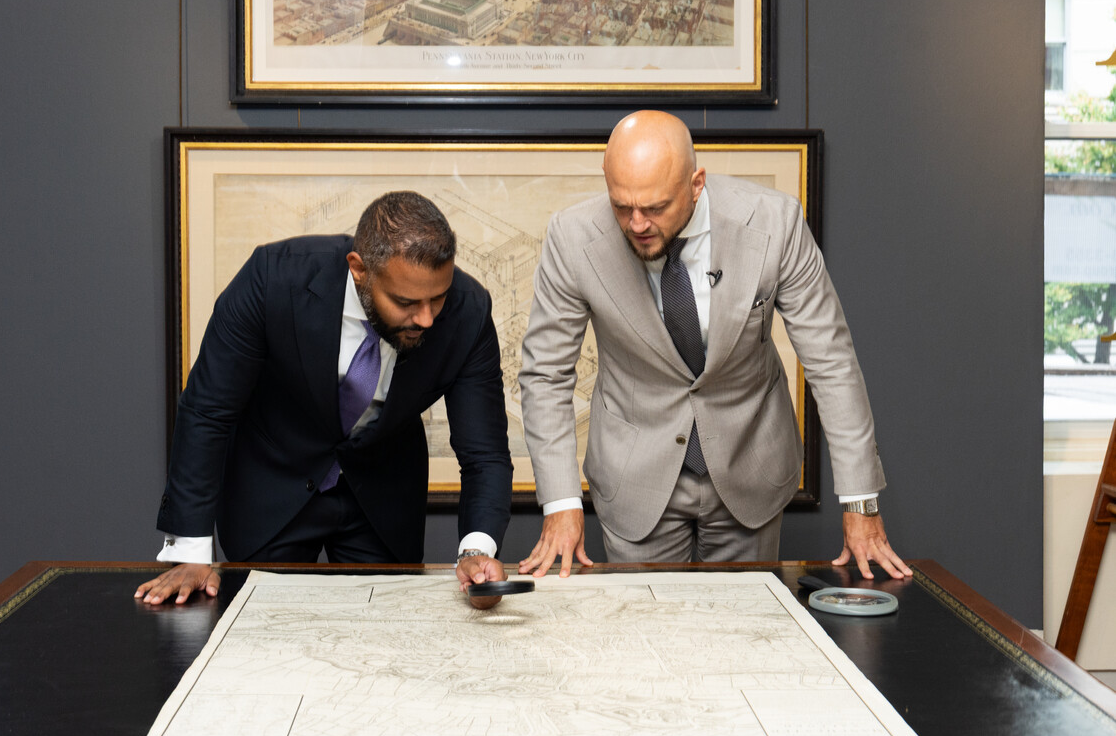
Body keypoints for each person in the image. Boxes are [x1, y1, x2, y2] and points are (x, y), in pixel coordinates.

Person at [516, 110, 910, 580]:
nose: (637, 224)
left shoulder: (776, 223)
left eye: (656, 208)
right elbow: (546, 375)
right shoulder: (571, 237)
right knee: (645, 624)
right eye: (622, 206)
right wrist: (560, 503)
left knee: (745, 624)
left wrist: (861, 502)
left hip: (750, 468)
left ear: (696, 183)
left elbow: (832, 361)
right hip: (635, 476)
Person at [136, 191, 513, 607]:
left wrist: (477, 552)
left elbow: (485, 453)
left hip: (382, 494)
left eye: (437, 298)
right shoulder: (273, 278)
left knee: (383, 633)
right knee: (263, 628)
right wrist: (190, 552)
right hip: (273, 481)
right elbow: (207, 410)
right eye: (406, 302)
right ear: (359, 270)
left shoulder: (468, 311)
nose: (426, 318)